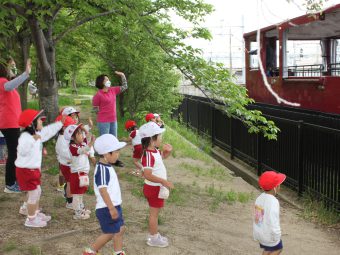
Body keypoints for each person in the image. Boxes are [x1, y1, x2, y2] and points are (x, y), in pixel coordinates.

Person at [15, 109, 64, 227]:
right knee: (34, 193)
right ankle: (30, 220)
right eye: (40, 120)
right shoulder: (25, 137)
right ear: (31, 124)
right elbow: (22, 151)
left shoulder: (37, 134)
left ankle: (34, 213)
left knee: (37, 191)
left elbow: (48, 131)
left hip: (33, 170)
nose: (42, 122)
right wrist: (33, 140)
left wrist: (60, 123)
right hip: (26, 170)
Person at [83, 134, 126, 255]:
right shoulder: (101, 169)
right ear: (107, 154)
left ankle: (118, 252)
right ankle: (91, 251)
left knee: (121, 229)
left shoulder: (107, 166)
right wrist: (111, 208)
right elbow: (103, 190)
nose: (118, 154)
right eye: (116, 152)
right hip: (107, 207)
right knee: (110, 233)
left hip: (114, 205)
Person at [139, 121, 174, 248]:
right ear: (152, 139)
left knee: (155, 213)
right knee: (154, 214)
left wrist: (167, 152)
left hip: (156, 188)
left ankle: (154, 235)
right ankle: (153, 238)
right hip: (153, 189)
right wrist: (164, 181)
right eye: (159, 136)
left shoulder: (155, 151)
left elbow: (162, 158)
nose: (161, 138)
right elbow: (147, 174)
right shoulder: (147, 155)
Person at [0, 57, 31, 193]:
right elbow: (11, 85)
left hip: (12, 123)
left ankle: (13, 182)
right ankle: (10, 184)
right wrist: (25, 73)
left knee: (15, 152)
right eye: (11, 66)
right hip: (8, 123)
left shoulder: (7, 82)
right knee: (14, 153)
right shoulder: (2, 82)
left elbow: (14, 83)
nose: (13, 68)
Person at [92, 71, 128, 167]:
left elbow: (125, 87)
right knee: (105, 141)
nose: (109, 81)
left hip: (113, 120)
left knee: (114, 141)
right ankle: (104, 161)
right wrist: (102, 115)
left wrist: (123, 76)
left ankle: (114, 160)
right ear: (102, 82)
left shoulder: (113, 90)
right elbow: (95, 109)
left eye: (108, 79)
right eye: (106, 79)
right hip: (103, 121)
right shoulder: (98, 95)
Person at [64, 124, 95, 220]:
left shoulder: (83, 143)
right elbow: (82, 150)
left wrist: (83, 130)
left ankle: (81, 209)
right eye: (79, 134)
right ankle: (77, 213)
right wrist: (91, 143)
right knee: (77, 195)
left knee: (81, 193)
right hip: (76, 175)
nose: (82, 135)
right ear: (73, 137)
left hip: (83, 174)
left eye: (82, 133)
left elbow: (86, 139)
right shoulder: (72, 146)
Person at [253, 171, 286, 255]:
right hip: (270, 235)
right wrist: (277, 234)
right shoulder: (273, 201)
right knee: (278, 248)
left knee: (267, 249)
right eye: (279, 185)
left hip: (260, 232)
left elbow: (258, 218)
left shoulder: (259, 198)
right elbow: (273, 220)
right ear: (276, 187)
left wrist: (257, 232)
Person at [55, 115, 77, 209]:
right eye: (70, 126)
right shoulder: (62, 139)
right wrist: (75, 154)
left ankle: (69, 196)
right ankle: (70, 202)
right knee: (70, 183)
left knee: (70, 182)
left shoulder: (65, 137)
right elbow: (66, 153)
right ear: (64, 128)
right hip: (67, 165)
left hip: (67, 164)